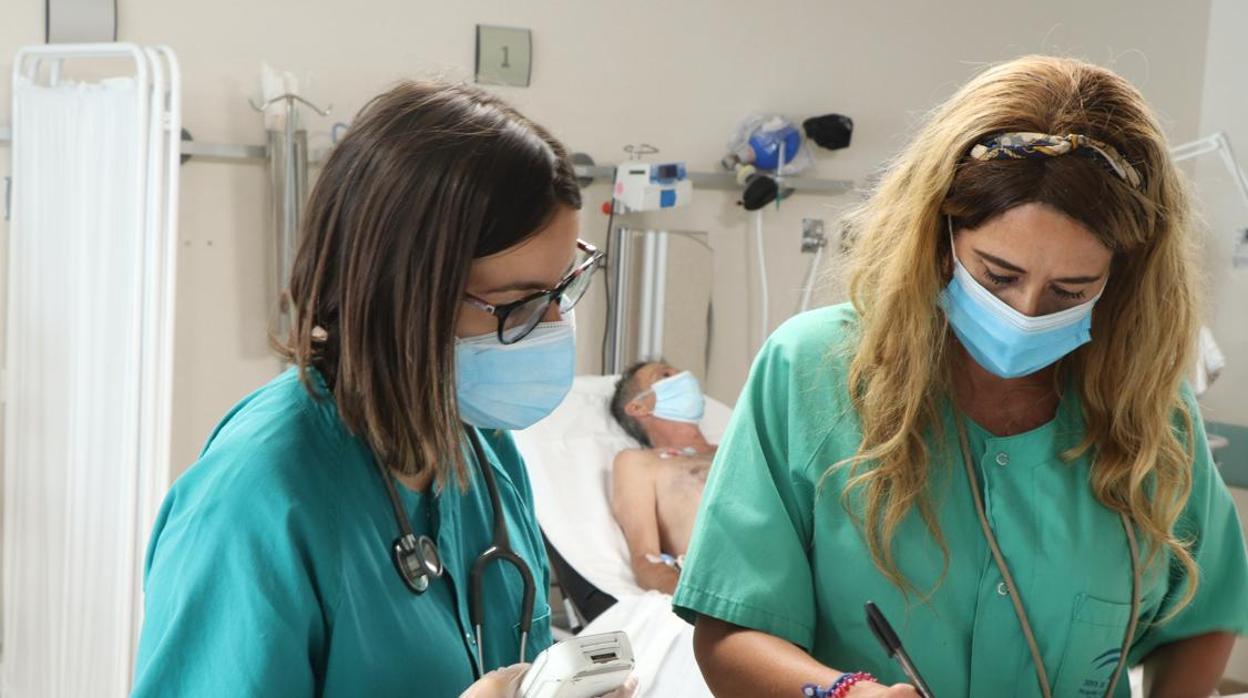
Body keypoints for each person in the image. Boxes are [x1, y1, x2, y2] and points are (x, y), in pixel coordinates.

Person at [673, 55, 1248, 698]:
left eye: (1070, 290)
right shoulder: (811, 371)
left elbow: (1205, 618)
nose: (1026, 312)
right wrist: (846, 694)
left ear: (1121, 277)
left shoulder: (1149, 410)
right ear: (937, 236)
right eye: (998, 275)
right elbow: (730, 633)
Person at [133, 81, 632, 698]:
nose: (553, 327)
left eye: (561, 289)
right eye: (518, 304)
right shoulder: (257, 498)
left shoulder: (486, 456)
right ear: (401, 293)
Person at [608, 361, 717, 593]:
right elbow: (646, 561)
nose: (684, 378)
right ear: (638, 407)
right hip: (730, 583)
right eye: (666, 375)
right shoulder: (641, 462)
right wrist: (696, 602)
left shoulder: (742, 449)